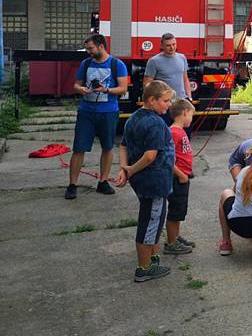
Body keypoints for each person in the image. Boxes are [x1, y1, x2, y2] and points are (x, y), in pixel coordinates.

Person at [115, 80, 175, 282]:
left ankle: (152, 256)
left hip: (141, 181)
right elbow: (150, 156)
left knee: (153, 218)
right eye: (165, 101)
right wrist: (130, 169)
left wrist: (125, 169)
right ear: (152, 100)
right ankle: (144, 267)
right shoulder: (156, 124)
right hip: (154, 182)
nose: (169, 105)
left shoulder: (133, 118)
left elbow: (123, 146)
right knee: (150, 222)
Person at [65, 33, 129, 200]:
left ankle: (103, 181)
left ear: (101, 46)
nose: (88, 51)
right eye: (87, 48)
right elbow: (76, 84)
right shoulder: (85, 64)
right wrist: (80, 90)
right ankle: (72, 184)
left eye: (90, 48)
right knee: (79, 148)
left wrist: (106, 90)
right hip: (86, 112)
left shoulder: (117, 64)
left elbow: (123, 88)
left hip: (108, 112)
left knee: (107, 147)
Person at [163, 98, 196, 255]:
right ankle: (171, 242)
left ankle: (175, 237)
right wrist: (181, 174)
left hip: (183, 177)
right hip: (178, 178)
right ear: (184, 113)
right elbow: (167, 158)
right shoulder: (174, 132)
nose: (191, 119)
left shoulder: (180, 131)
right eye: (191, 115)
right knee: (175, 210)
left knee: (180, 210)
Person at [143, 32, 192, 132]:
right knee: (165, 134)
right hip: (164, 105)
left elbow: (185, 78)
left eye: (174, 44)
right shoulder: (154, 61)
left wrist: (189, 97)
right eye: (168, 45)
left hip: (181, 102)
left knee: (185, 134)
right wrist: (153, 103)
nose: (172, 47)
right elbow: (147, 84)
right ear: (162, 46)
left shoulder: (182, 58)